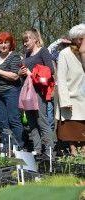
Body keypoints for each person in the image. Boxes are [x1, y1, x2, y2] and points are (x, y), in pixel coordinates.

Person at [19, 28, 55, 157]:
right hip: (27, 91)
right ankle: (37, 149)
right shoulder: (26, 55)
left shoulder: (43, 51)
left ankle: (49, 151)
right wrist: (21, 73)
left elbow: (50, 71)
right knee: (31, 121)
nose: (25, 43)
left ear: (35, 39)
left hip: (39, 92)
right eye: (23, 41)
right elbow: (23, 76)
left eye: (27, 40)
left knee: (42, 121)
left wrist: (31, 73)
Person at [0, 32, 24, 151]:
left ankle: (19, 147)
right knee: (3, 122)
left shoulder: (14, 56)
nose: (3, 45)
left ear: (10, 43)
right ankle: (7, 148)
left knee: (14, 120)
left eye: (6, 42)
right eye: (1, 43)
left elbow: (15, 76)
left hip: (12, 91)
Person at [56, 23, 85, 156]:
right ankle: (73, 150)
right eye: (80, 38)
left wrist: (83, 53)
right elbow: (61, 78)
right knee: (71, 127)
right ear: (74, 39)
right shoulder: (64, 54)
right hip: (71, 97)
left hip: (83, 97)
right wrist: (65, 100)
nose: (82, 41)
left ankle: (83, 150)